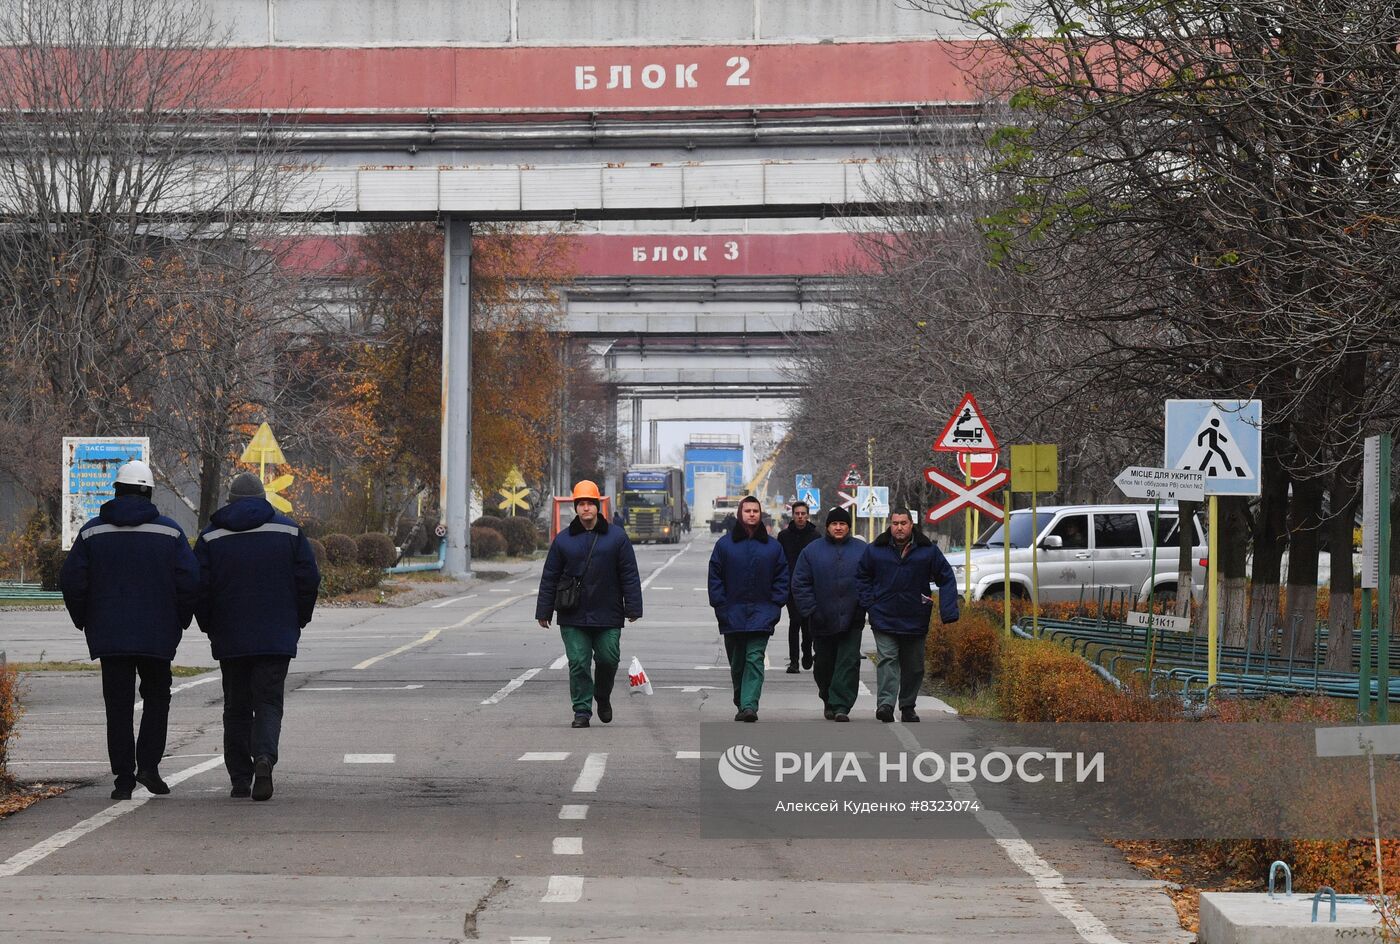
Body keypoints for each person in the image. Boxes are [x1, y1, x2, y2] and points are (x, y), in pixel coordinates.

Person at [59, 460, 200, 800]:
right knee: (157, 698)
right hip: (157, 634)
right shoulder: (170, 532)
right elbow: (190, 581)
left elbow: (72, 580)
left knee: (118, 705)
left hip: (110, 637)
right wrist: (179, 620)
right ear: (148, 492)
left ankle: (123, 778)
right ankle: (148, 766)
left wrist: (85, 620)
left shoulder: (92, 532)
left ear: (117, 491)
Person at [194, 472, 320, 801]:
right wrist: (298, 620)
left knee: (236, 707)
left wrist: (209, 625)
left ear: (230, 502)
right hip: (276, 637)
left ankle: (239, 777)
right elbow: (308, 579)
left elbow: (199, 587)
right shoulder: (288, 530)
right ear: (264, 499)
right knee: (267, 703)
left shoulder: (211, 536)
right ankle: (264, 758)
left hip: (230, 637)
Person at [536, 480, 642, 728]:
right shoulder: (563, 540)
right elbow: (549, 576)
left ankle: (602, 695)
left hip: (608, 611)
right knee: (578, 663)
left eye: (589, 504)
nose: (585, 508)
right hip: (573, 613)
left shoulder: (617, 537)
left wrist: (633, 607)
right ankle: (582, 711)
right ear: (576, 507)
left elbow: (629, 573)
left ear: (597, 507)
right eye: (581, 504)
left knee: (608, 659)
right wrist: (544, 610)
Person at [856, 508, 959, 723]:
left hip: (915, 616)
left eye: (903, 523)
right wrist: (870, 604)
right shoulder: (876, 549)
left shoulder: (927, 551)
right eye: (895, 523)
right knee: (887, 659)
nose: (899, 527)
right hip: (883, 615)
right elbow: (862, 576)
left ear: (911, 524)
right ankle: (885, 704)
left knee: (914, 666)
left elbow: (947, 577)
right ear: (890, 525)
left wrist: (948, 612)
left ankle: (907, 706)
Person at [708, 495, 788, 722]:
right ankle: (741, 700)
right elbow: (715, 578)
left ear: (760, 514)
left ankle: (750, 704)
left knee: (754, 658)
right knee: (738, 663)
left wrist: (775, 605)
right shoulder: (724, 545)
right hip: (731, 614)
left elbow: (782, 578)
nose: (752, 514)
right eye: (747, 511)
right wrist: (721, 606)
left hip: (762, 614)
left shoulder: (773, 547)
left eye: (755, 510)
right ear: (739, 514)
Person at [791, 506, 867, 722]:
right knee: (824, 663)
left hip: (852, 618)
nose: (839, 527)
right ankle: (827, 697)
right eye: (834, 524)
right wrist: (811, 610)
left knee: (849, 662)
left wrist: (862, 607)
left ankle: (841, 705)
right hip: (821, 618)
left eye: (843, 524)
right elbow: (800, 583)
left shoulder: (861, 550)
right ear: (828, 527)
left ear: (848, 527)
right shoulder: (812, 551)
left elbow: (871, 580)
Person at [776, 500, 820, 673]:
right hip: (790, 586)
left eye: (803, 514)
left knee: (808, 624)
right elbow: (779, 561)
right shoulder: (784, 536)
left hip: (810, 587)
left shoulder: (815, 536)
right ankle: (794, 661)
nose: (800, 517)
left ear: (807, 515)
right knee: (794, 622)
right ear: (792, 515)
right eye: (797, 514)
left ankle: (807, 652)